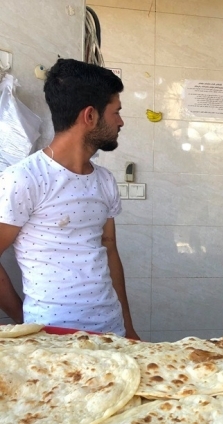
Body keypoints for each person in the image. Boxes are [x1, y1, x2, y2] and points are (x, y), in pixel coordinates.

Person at [0, 58, 139, 338]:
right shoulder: (24, 178)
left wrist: (128, 327)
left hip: (111, 332)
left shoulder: (104, 180)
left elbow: (110, 249)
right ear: (90, 116)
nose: (120, 122)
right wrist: (23, 321)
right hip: (52, 338)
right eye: (116, 112)